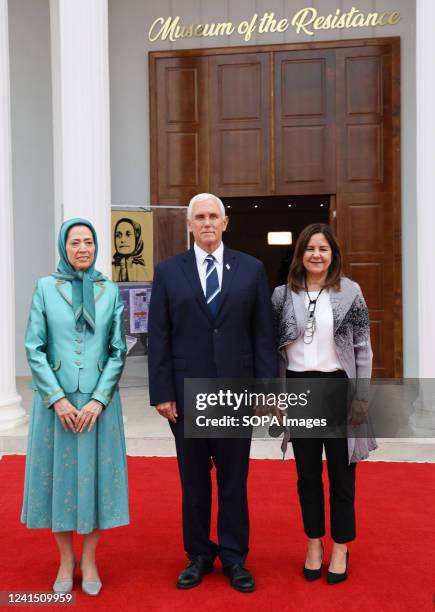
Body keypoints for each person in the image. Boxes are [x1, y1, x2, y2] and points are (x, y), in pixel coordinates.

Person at [148, 193, 278, 592]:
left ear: (225, 223)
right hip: (187, 397)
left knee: (234, 480)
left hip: (235, 395)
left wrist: (265, 392)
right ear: (189, 225)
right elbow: (159, 335)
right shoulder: (169, 272)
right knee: (194, 482)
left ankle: (235, 557)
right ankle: (199, 555)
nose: (206, 222)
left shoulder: (252, 269)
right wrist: (162, 393)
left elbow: (263, 335)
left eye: (213, 216)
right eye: (199, 217)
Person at [22, 218, 129, 596]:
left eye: (88, 242)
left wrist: (99, 399)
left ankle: (90, 558)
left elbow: (118, 348)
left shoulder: (109, 290)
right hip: (58, 405)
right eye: (74, 243)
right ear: (63, 248)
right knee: (59, 482)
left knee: (98, 481)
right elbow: (34, 347)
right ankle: (66, 559)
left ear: (96, 246)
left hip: (98, 405)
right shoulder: (45, 288)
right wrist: (58, 398)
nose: (82, 248)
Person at [271, 223, 376, 585]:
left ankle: (341, 546)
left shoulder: (351, 293)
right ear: (301, 254)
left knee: (342, 474)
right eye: (310, 248)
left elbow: (363, 346)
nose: (316, 254)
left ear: (333, 255)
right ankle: (314, 542)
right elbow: (274, 352)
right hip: (299, 388)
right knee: (307, 475)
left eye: (324, 249)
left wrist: (362, 395)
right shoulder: (282, 295)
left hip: (338, 387)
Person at [112, 217, 146, 281]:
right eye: (118, 235)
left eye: (128, 234)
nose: (123, 240)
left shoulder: (140, 269)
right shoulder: (109, 268)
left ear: (136, 238)